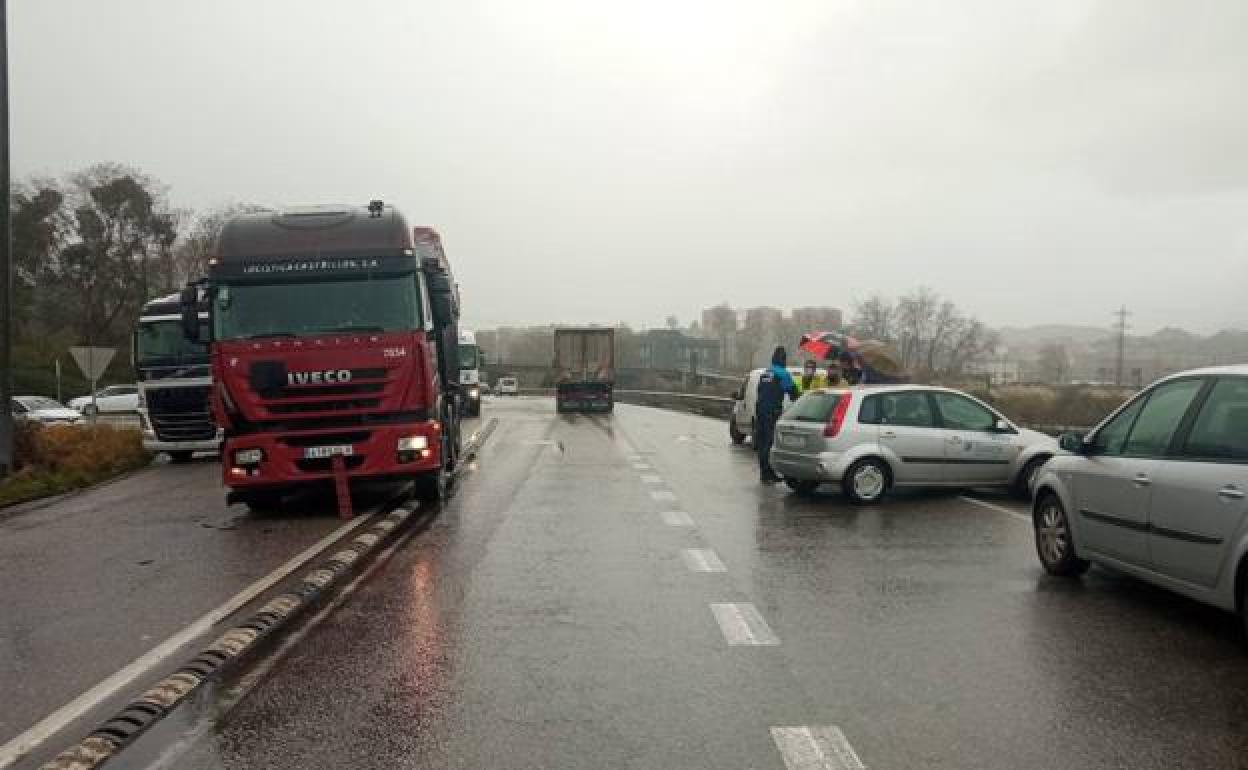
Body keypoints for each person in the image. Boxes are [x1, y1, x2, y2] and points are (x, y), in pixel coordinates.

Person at [755, 346, 799, 483]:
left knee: (762, 442)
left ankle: (764, 472)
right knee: (769, 442)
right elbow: (794, 395)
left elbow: (759, 391)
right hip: (771, 411)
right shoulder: (783, 374)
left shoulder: (766, 373)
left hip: (760, 410)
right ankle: (767, 474)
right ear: (784, 359)